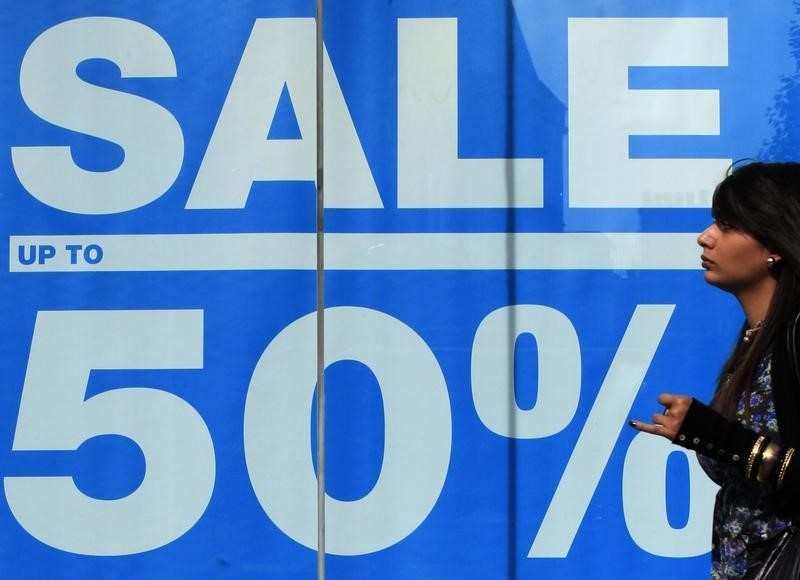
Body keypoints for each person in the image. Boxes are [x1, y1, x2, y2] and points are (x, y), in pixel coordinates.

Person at [630, 161, 800, 578]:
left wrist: (717, 436)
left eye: (726, 225)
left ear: (774, 243)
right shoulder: (754, 342)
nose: (705, 237)